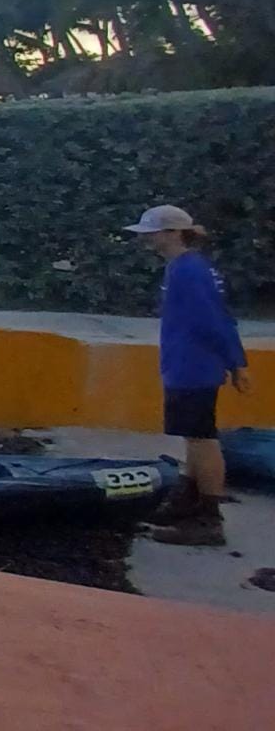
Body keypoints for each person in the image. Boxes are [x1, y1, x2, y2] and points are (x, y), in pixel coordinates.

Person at [128, 205, 252, 546]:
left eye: (151, 232)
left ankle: (209, 519)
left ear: (171, 233)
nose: (146, 239)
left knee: (202, 438)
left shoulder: (188, 271)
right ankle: (188, 499)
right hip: (188, 364)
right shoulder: (188, 267)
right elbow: (220, 317)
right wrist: (234, 361)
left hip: (192, 366)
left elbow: (212, 321)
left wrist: (235, 363)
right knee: (193, 436)